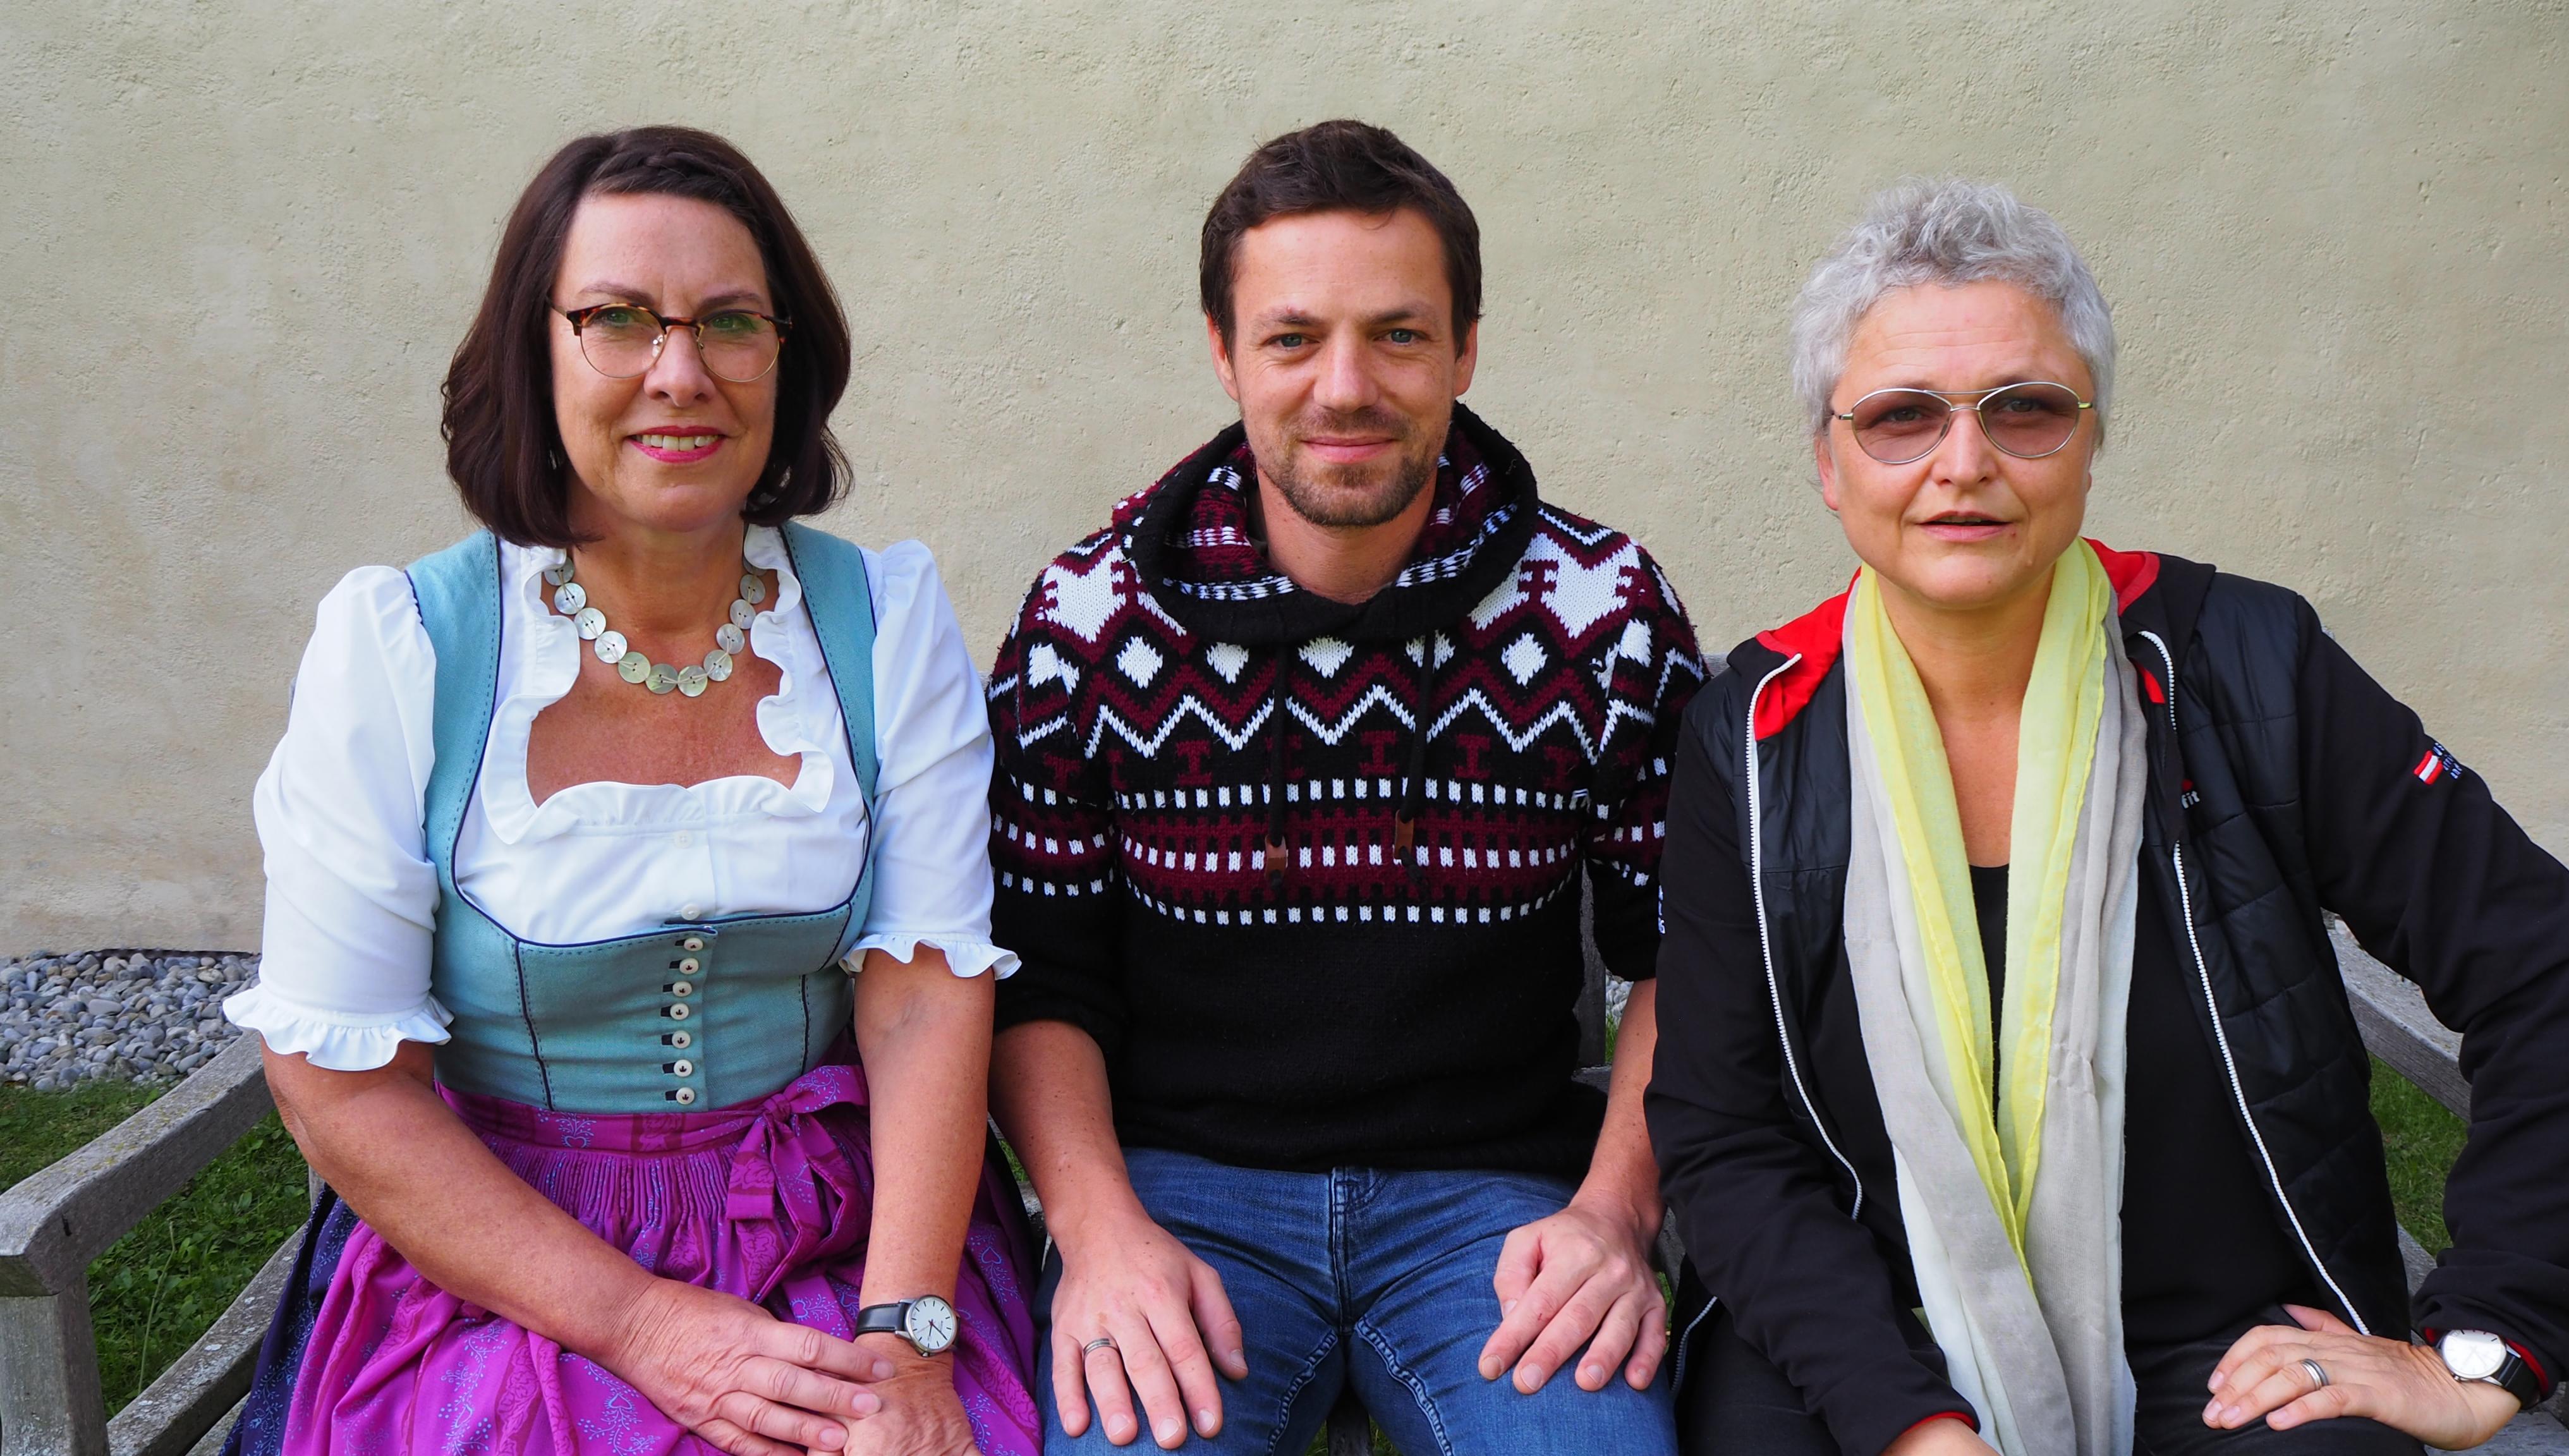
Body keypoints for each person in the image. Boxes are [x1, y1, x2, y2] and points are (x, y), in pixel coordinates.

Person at [1644, 177, 2569, 1456]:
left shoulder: (2250, 665)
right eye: (1901, 417)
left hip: (2231, 1352)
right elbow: (1723, 1133)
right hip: (1865, 1334)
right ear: (1827, 461)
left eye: (2025, 408)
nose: (1963, 464)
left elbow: (2546, 970)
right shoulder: (1754, 733)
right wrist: (1912, 1426)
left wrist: (2484, 1341)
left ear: (2090, 441)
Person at [220, 126, 1040, 1456]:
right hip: (507, 1262)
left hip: (843, 1233)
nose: (681, 372)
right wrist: (642, 1324)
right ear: (532, 354)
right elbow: (342, 1086)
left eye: (730, 321)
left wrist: (904, 1336)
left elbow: (922, 997)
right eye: (616, 319)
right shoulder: (406, 650)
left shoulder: (883, 621)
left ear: (786, 355)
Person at [981, 120, 1701, 1454]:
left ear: (1465, 348)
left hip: (1497, 1207)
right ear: (1223, 351)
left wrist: (1613, 1213)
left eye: (1399, 335)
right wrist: (1099, 1232)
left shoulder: (1601, 611)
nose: (1346, 387)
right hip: (1183, 1203)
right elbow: (1036, 971)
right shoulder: (1089, 620)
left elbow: (1684, 952)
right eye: (1292, 338)